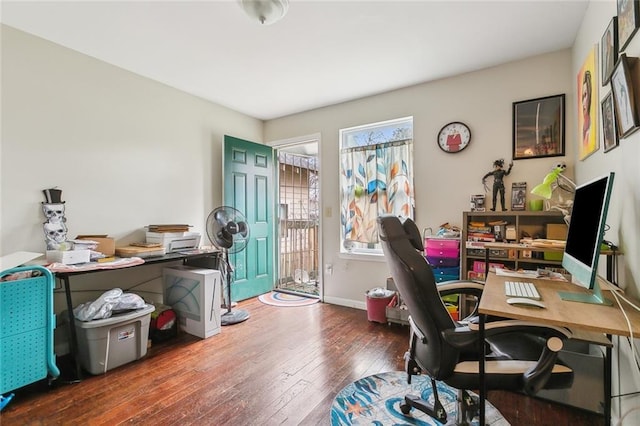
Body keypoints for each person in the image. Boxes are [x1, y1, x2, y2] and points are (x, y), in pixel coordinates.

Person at [581, 70, 592, 147]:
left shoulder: (590, 130)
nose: (583, 103)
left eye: (585, 95)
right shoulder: (584, 127)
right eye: (582, 97)